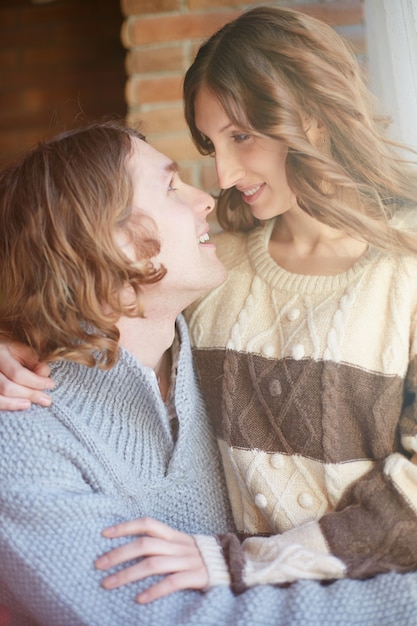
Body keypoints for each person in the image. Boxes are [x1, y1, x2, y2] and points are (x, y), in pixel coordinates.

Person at [2, 9, 417, 625]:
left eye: (241, 137)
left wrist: (249, 562)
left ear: (311, 117)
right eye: (210, 145)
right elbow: (85, 285)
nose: (219, 179)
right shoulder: (218, 272)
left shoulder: (401, 271)